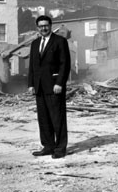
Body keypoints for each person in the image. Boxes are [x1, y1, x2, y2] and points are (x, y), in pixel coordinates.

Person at [28, 15, 71, 159]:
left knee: (57, 118)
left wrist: (59, 83)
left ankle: (60, 148)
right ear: (37, 28)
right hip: (40, 87)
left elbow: (64, 64)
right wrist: (31, 84)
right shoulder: (35, 44)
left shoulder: (60, 41)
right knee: (44, 119)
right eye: (40, 26)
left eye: (46, 25)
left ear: (51, 26)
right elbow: (32, 67)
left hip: (54, 87)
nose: (43, 28)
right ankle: (48, 146)